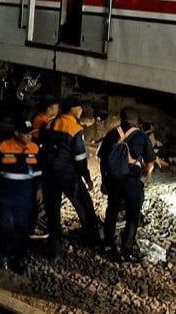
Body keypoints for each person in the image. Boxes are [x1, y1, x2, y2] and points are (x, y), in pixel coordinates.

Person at [40, 95, 102, 259]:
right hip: (68, 176)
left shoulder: (51, 123)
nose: (81, 110)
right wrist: (87, 178)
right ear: (74, 109)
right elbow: (80, 159)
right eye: (80, 108)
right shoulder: (75, 129)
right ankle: (92, 240)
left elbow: (44, 150)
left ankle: (55, 249)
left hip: (49, 176)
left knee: (53, 213)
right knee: (84, 205)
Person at [0, 119, 41, 273]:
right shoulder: (3, 147)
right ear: (16, 133)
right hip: (5, 197)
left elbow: (38, 172)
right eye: (26, 133)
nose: (29, 136)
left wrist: (39, 189)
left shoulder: (34, 148)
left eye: (31, 133)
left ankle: (20, 259)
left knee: (23, 229)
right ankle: (5, 257)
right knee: (6, 226)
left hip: (25, 198)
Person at [98, 107, 157, 263]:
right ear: (136, 121)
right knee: (132, 217)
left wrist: (104, 181)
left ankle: (108, 245)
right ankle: (126, 251)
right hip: (131, 183)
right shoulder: (141, 137)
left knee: (111, 212)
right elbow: (150, 160)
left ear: (121, 118)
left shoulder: (111, 134)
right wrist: (148, 174)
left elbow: (103, 160)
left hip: (113, 181)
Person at [29, 95, 59, 240]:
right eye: (56, 106)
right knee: (39, 192)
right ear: (50, 108)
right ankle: (37, 224)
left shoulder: (39, 118)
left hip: (35, 159)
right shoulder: (42, 121)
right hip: (37, 160)